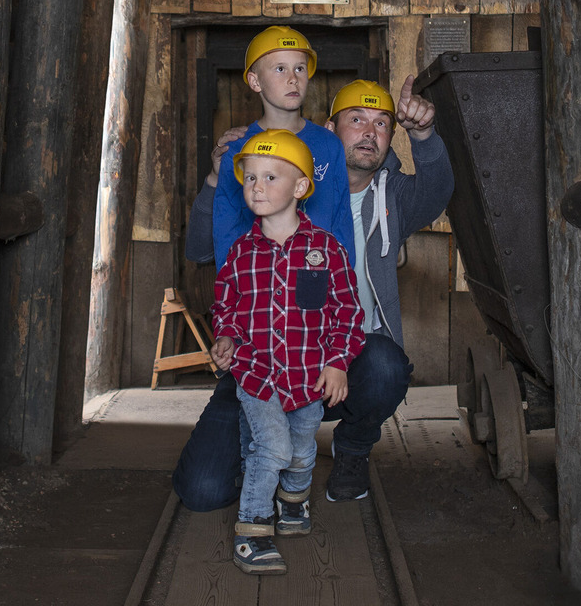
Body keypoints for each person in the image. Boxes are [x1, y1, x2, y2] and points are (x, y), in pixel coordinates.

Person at [174, 73, 454, 509]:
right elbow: (200, 250)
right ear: (328, 129)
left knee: (386, 365)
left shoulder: (393, 196)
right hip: (261, 364)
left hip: (343, 364)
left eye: (382, 124)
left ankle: (353, 447)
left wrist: (423, 134)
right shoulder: (279, 189)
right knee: (203, 490)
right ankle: (264, 455)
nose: (369, 132)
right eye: (356, 119)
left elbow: (438, 192)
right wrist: (217, 178)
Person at [210, 129, 363, 575]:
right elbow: (226, 307)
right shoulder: (240, 253)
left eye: (270, 177)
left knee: (300, 450)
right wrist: (226, 337)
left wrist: (337, 362)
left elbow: (347, 312)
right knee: (272, 448)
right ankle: (252, 531)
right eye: (249, 178)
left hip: (308, 375)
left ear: (300, 187)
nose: (256, 187)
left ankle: (293, 502)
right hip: (256, 374)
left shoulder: (327, 250)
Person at [210, 25, 354, 271]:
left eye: (300, 68)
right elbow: (226, 224)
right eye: (280, 69)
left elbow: (341, 222)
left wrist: (341, 278)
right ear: (255, 81)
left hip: (317, 276)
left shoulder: (329, 144)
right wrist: (233, 281)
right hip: (257, 280)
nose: (293, 78)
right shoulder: (237, 148)